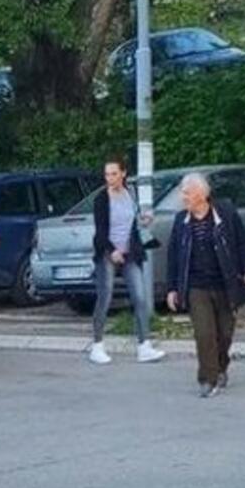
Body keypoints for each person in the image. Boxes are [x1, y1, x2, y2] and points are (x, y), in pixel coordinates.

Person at [166, 173, 245, 398]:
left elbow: (243, 242)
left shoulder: (225, 213)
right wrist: (172, 288)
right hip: (195, 286)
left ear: (201, 194)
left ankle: (220, 367)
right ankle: (207, 379)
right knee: (204, 333)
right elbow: (173, 256)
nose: (183, 197)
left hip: (225, 284)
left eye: (186, 192)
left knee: (225, 334)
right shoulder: (181, 221)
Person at [88, 156, 165, 365]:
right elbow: (101, 231)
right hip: (108, 252)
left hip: (130, 251)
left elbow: (132, 221)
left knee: (140, 297)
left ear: (123, 173)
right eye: (107, 174)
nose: (110, 178)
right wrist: (112, 250)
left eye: (114, 174)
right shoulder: (102, 199)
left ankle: (144, 345)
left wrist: (143, 220)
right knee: (105, 297)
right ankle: (97, 345)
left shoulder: (130, 193)